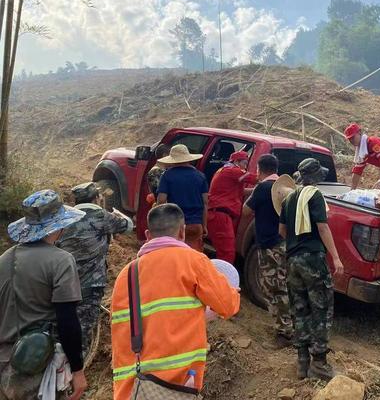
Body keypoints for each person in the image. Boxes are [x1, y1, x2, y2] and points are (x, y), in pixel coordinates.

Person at [110, 203, 241, 400]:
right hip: (176, 385)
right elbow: (228, 306)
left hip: (132, 389)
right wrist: (232, 292)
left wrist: (199, 317)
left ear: (147, 234)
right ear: (182, 231)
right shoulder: (193, 261)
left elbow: (143, 324)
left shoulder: (126, 274)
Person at [0, 190, 88, 400]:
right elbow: (68, 320)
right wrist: (78, 371)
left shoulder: (4, 259)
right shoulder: (61, 261)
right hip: (37, 367)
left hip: (3, 364)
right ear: (59, 226)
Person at [277, 158, 344, 381]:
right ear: (315, 177)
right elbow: (323, 227)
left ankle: (302, 363)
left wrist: (296, 244)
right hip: (313, 260)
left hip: (293, 260)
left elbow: (282, 230)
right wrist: (335, 257)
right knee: (321, 310)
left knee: (300, 310)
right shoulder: (314, 195)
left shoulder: (288, 199)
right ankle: (320, 365)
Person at [57, 181, 133, 358]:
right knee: (83, 332)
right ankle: (75, 372)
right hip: (91, 285)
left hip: (62, 284)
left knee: (62, 327)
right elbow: (128, 226)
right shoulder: (101, 216)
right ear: (97, 198)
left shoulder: (64, 219)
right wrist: (118, 214)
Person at [237, 154, 293, 347]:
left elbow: (245, 210)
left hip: (269, 245)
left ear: (260, 170)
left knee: (273, 289)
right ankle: (290, 326)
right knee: (283, 284)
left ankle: (284, 333)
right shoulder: (285, 189)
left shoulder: (262, 188)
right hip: (284, 243)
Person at [156, 143, 209, 251]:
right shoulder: (200, 176)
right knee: (194, 257)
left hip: (175, 224)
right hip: (195, 224)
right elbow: (205, 203)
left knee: (176, 256)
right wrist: (204, 225)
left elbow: (161, 201)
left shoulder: (167, 175)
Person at [208, 150, 257, 263]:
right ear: (236, 162)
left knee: (224, 250)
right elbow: (255, 178)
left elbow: (241, 191)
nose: (245, 167)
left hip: (217, 214)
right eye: (244, 163)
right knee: (227, 252)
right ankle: (224, 277)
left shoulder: (224, 171)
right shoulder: (233, 171)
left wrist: (257, 190)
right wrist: (273, 181)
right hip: (221, 215)